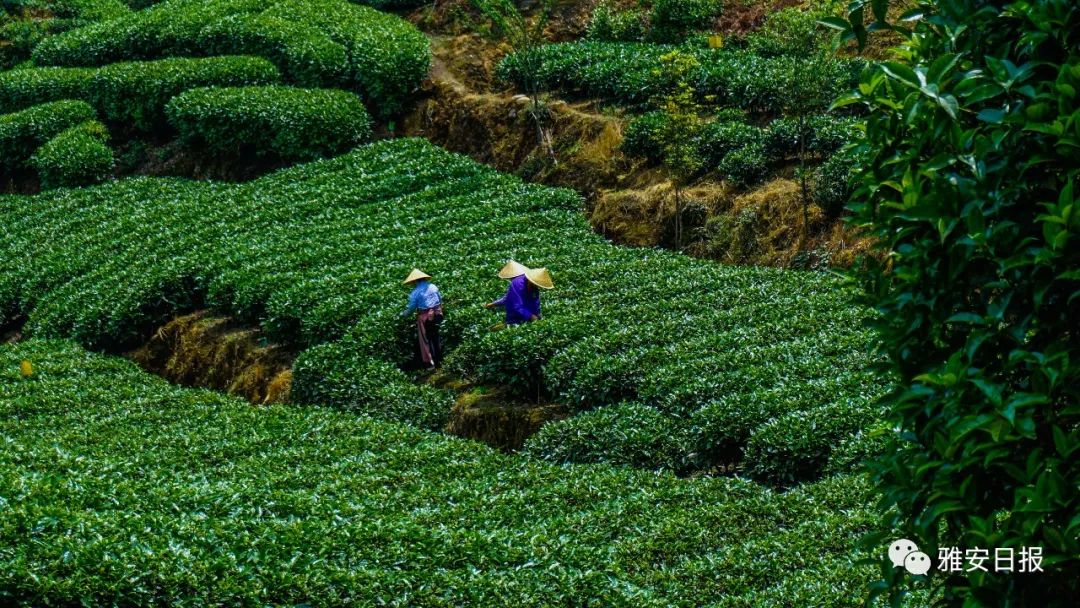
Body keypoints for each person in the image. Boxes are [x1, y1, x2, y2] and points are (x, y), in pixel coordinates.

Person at [401, 268, 443, 369]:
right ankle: (441, 360)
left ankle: (433, 363)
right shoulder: (433, 286)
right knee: (436, 336)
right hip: (438, 314)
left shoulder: (415, 293)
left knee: (427, 340)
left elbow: (411, 308)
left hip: (426, 318)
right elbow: (440, 299)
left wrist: (403, 315)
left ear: (415, 281)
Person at [486, 263, 553, 325]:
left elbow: (535, 300)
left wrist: (537, 314)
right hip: (516, 317)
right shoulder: (517, 284)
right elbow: (516, 305)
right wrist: (531, 316)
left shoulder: (533, 286)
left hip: (530, 315)